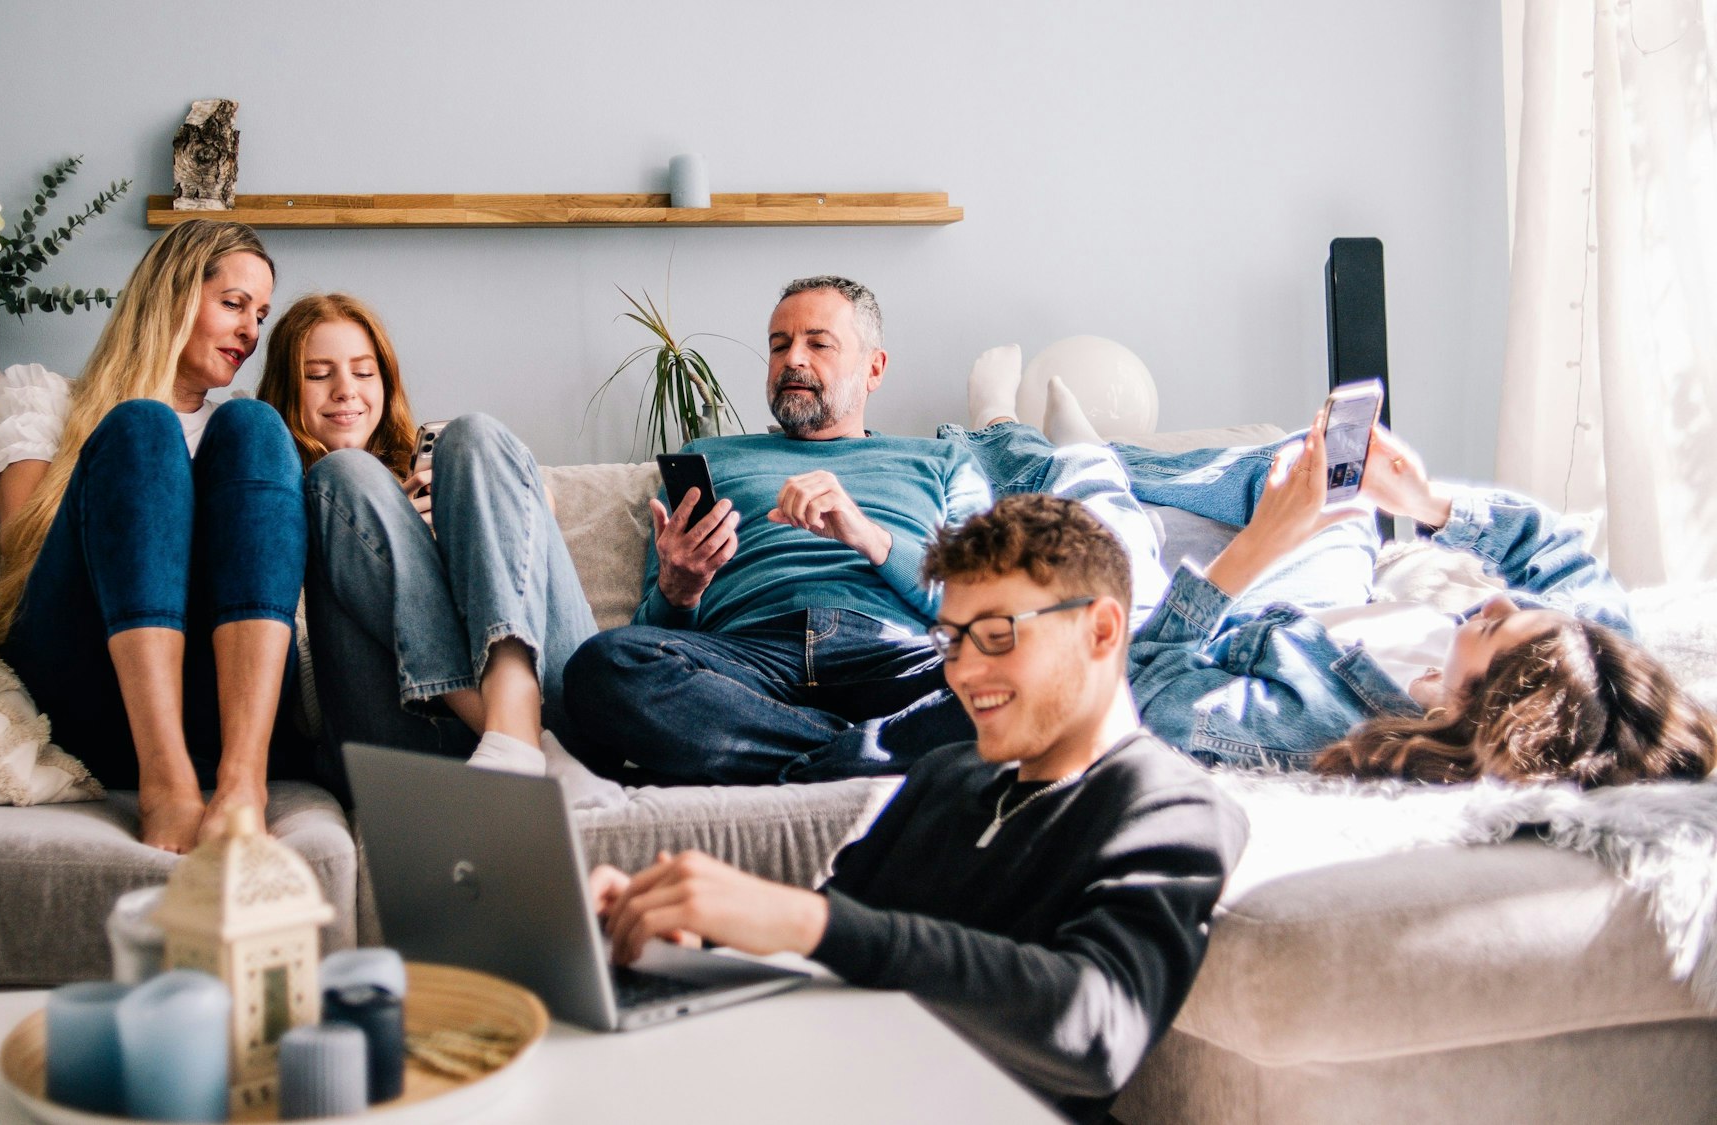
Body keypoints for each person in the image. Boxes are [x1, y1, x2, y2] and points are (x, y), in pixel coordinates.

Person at [590, 495, 1247, 1123]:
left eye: (993, 634)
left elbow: (1103, 1028)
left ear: (1101, 629)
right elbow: (835, 939)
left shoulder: (1170, 803)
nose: (961, 671)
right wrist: (687, 931)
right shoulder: (948, 773)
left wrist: (804, 918)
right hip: (802, 1084)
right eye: (952, 641)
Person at [0, 219, 306, 853]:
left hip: (221, 693)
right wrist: (135, 474)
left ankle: (243, 782)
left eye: (260, 315)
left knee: (256, 424)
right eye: (234, 305)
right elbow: (26, 552)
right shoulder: (48, 401)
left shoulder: (239, 433)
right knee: (140, 428)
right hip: (91, 678)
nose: (251, 332)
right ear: (174, 296)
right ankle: (166, 783)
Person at [561, 276, 994, 785]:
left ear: (873, 368)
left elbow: (981, 601)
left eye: (819, 343)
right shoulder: (709, 460)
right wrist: (678, 593)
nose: (793, 359)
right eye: (779, 345)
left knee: (1038, 674)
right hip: (749, 664)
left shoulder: (942, 462)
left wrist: (869, 537)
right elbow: (652, 631)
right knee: (606, 665)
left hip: (897, 662)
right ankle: (877, 750)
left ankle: (782, 753)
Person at [1125, 412, 1717, 785]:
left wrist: (1256, 549)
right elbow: (1552, 548)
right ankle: (1122, 464)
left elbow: (1150, 692)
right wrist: (1427, 503)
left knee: (1089, 492)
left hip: (1209, 623)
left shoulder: (1327, 725)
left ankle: (1082, 463)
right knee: (1331, 483)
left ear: (1467, 710)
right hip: (1316, 597)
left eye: (1489, 632)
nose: (1497, 604)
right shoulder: (1594, 676)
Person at [254, 293, 615, 804]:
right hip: (403, 733)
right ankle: (519, 738)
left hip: (549, 698)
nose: (345, 391)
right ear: (288, 387)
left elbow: (540, 545)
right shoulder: (267, 493)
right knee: (343, 475)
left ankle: (514, 731)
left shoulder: (433, 470)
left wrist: (456, 533)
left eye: (363, 372)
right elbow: (302, 683)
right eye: (319, 374)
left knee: (475, 434)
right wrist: (381, 549)